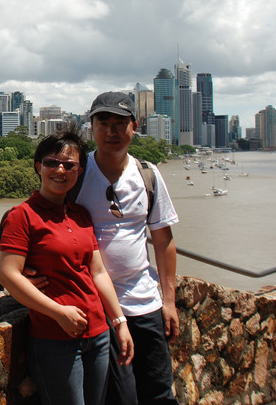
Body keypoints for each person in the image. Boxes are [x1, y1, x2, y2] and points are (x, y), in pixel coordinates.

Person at [0, 125, 134, 405]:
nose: (60, 170)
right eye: (52, 163)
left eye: (69, 165)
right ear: (39, 167)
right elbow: (9, 275)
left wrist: (119, 322)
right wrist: (59, 312)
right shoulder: (22, 216)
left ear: (79, 171)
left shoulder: (81, 214)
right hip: (54, 337)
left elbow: (97, 272)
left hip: (98, 333)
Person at [74, 91, 180, 405]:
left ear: (134, 127)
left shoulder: (147, 174)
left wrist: (169, 301)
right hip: (96, 306)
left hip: (145, 302)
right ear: (90, 128)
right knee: (119, 397)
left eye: (120, 123)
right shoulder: (76, 175)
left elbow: (163, 240)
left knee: (159, 391)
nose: (111, 131)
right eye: (103, 122)